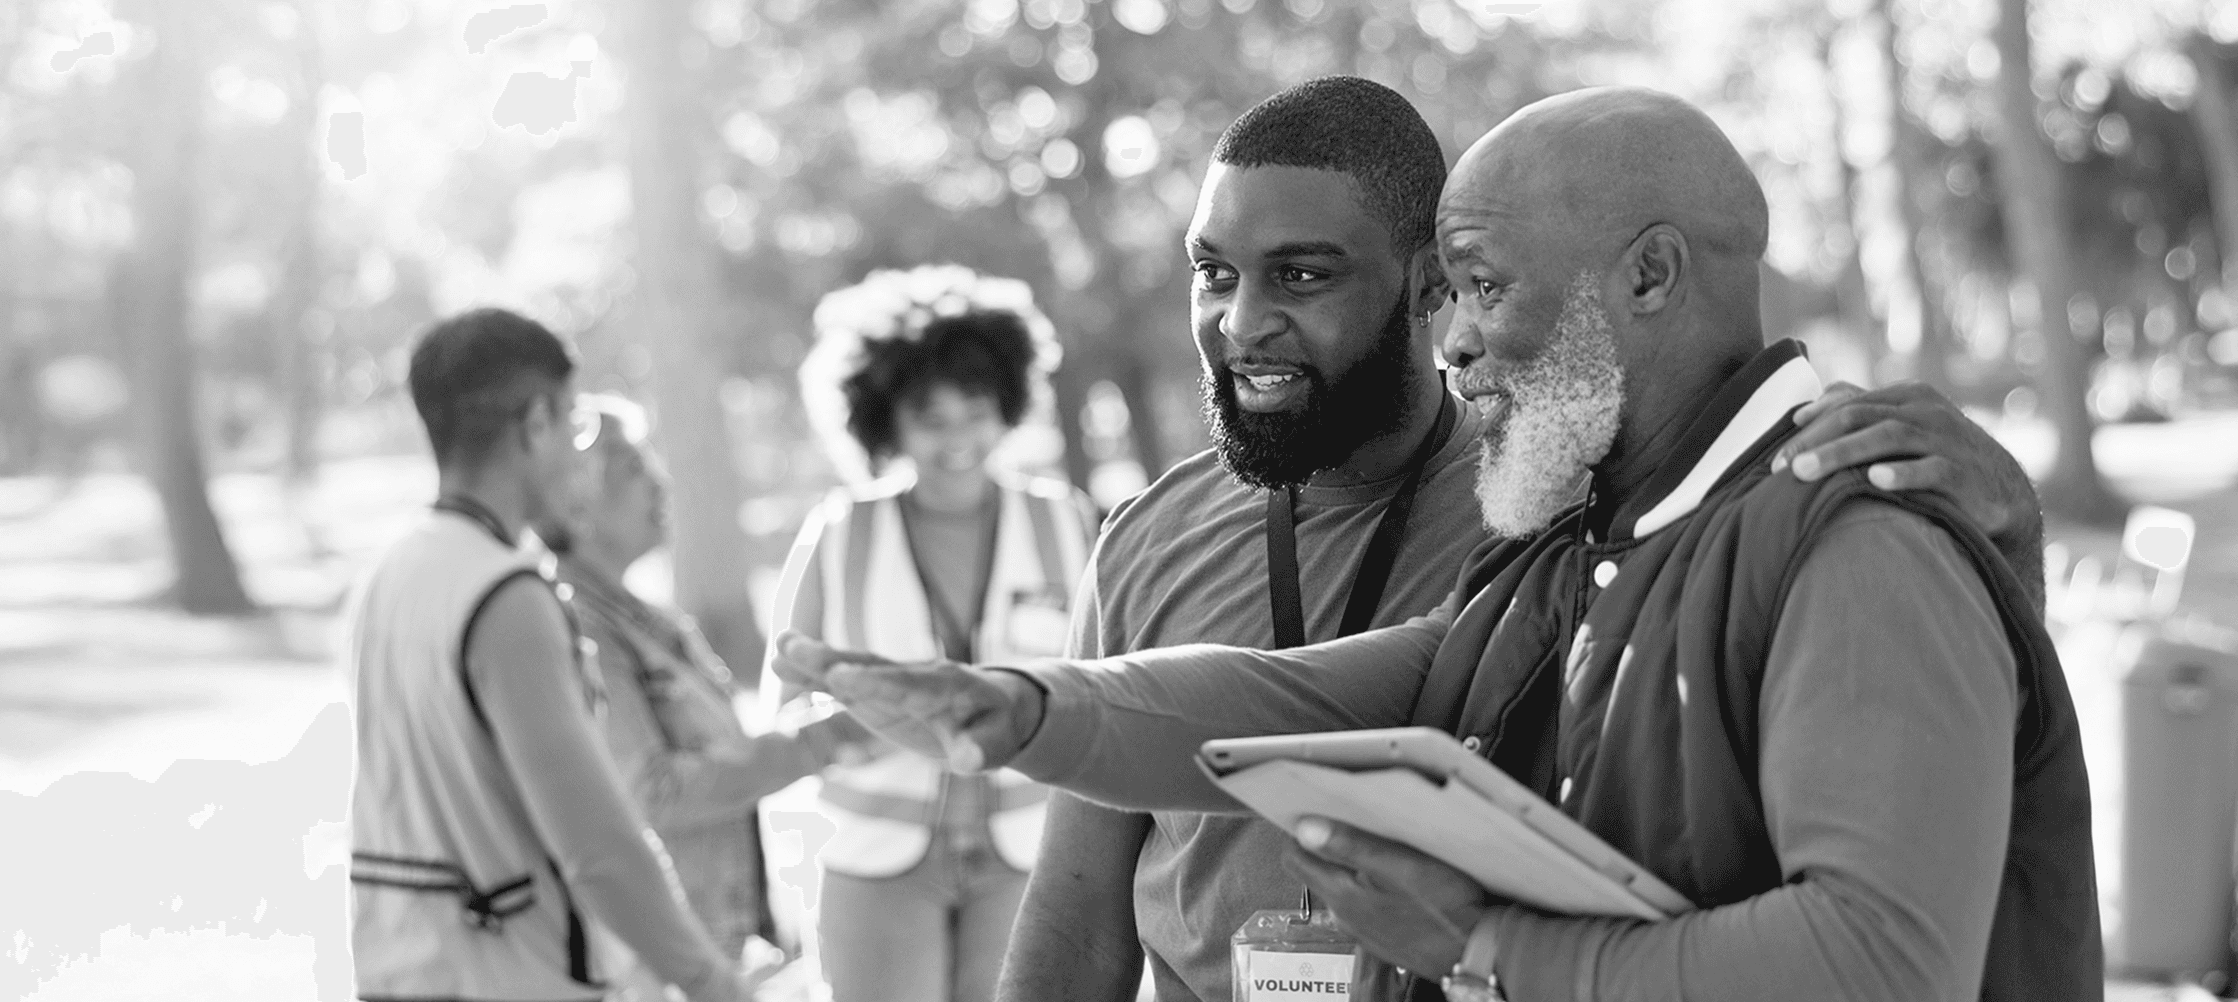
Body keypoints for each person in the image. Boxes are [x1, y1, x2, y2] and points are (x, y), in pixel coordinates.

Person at [812, 86, 2092, 1002]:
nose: (1456, 337)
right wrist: (1016, 709)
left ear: (1649, 278)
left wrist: (1483, 945)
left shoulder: (1853, 532)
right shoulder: (1572, 546)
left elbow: (1879, 960)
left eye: (1482, 284)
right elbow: (1296, 702)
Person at [344, 308, 746, 1002]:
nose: (578, 453)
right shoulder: (507, 597)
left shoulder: (391, 572)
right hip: (514, 974)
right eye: (573, 423)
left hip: (404, 967)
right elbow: (596, 844)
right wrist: (711, 981)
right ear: (536, 423)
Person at [760, 266, 1096, 1002]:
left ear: (1007, 404)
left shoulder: (1064, 520)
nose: (957, 439)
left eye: (975, 410)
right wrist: (863, 722)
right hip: (876, 863)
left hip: (1029, 855)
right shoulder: (840, 531)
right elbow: (783, 701)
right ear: (887, 421)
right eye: (930, 418)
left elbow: (1105, 680)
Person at [539, 394, 878, 999]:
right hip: (654, 965)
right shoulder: (581, 627)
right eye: (633, 469)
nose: (660, 484)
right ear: (577, 501)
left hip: (711, 942)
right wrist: (824, 737)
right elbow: (651, 790)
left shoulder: (649, 617)